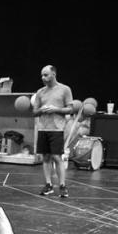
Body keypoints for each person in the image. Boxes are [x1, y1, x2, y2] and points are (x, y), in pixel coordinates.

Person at [33, 65, 73, 198]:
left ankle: (62, 185)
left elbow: (70, 109)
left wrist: (55, 109)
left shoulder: (65, 89)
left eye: (46, 75)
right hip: (43, 128)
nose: (43, 78)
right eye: (42, 75)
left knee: (56, 157)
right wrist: (42, 110)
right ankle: (48, 185)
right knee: (46, 157)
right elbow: (34, 112)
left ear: (53, 74)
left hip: (57, 129)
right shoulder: (40, 92)